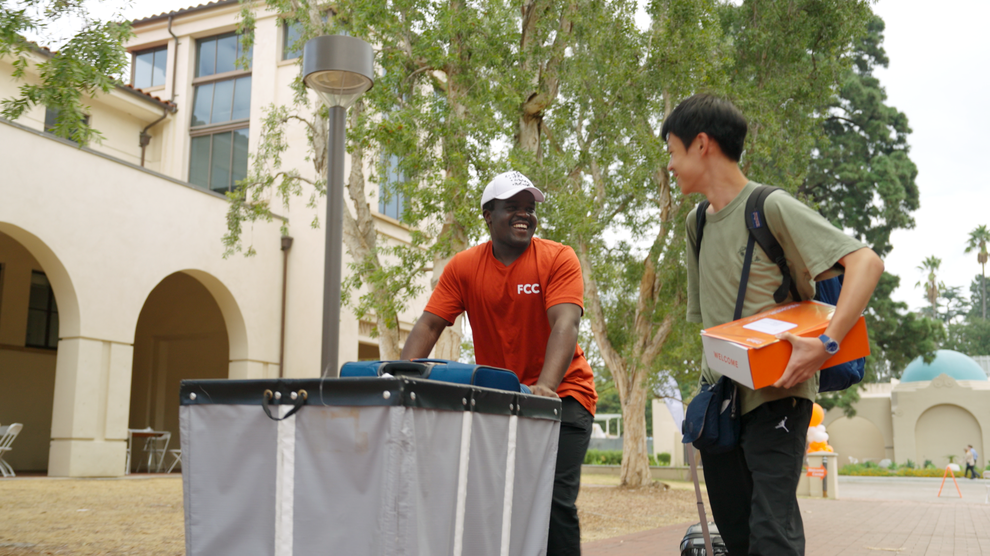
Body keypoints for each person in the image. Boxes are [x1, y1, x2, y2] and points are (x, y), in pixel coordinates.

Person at [666, 94, 884, 556]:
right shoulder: (697, 224)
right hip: (721, 403)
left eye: (672, 150)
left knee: (772, 534)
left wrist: (826, 344)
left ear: (701, 144)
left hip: (779, 396)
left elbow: (865, 263)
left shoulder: (769, 206)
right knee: (737, 533)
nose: (670, 164)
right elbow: (713, 325)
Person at [400, 170, 598, 556]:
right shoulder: (464, 267)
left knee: (553, 502)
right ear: (488, 215)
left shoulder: (558, 257)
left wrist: (545, 387)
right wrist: (399, 377)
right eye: (513, 207)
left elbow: (566, 322)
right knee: (497, 502)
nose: (525, 214)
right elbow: (429, 324)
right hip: (502, 400)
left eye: (530, 208)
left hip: (564, 396)